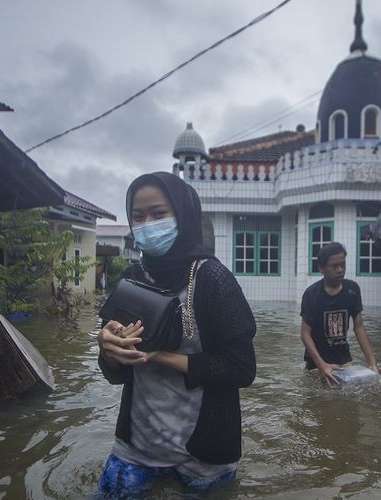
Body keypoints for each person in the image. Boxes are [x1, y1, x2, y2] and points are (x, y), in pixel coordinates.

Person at [96, 172, 256, 497]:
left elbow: (241, 368)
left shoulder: (214, 280)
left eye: (158, 214)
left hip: (205, 457)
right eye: (138, 217)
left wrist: (162, 356)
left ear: (183, 214)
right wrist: (107, 347)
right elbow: (115, 375)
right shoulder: (132, 277)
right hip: (138, 447)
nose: (147, 224)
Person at [300, 242, 378, 386]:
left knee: (348, 405)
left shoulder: (352, 290)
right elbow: (305, 334)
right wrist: (321, 365)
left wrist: (372, 364)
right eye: (334, 266)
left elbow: (359, 327)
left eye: (343, 264)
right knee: (320, 403)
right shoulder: (311, 294)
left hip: (344, 361)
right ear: (322, 268)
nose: (340, 270)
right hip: (316, 364)